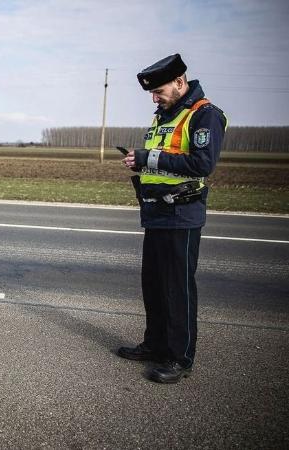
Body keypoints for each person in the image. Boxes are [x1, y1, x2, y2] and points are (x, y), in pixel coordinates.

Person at [118, 53, 227, 384]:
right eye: (152, 93)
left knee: (177, 288)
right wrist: (140, 161)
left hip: (182, 213)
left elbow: (202, 164)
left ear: (180, 82)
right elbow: (162, 159)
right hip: (156, 211)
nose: (155, 98)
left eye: (159, 91)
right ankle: (155, 344)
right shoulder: (164, 115)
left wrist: (149, 157)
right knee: (153, 284)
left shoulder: (205, 115)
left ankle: (180, 357)